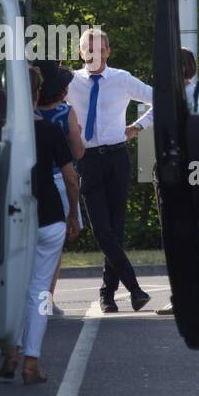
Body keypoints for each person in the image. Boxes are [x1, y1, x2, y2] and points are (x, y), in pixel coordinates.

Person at [0, 66, 81, 384]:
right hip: (48, 217)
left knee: (16, 288)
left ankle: (10, 353)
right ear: (37, 94)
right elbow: (71, 178)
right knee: (39, 291)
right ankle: (31, 362)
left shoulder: (4, 134)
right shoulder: (49, 131)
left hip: (14, 218)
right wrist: (72, 214)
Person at [66, 27, 153, 313]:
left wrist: (138, 127)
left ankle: (108, 294)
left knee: (116, 228)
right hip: (88, 160)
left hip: (117, 157)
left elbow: (161, 99)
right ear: (81, 52)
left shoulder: (121, 79)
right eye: (88, 49)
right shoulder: (71, 82)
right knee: (102, 229)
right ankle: (135, 288)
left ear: (107, 52)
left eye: (99, 49)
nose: (94, 54)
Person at [35, 60, 85, 315]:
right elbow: (77, 152)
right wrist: (77, 132)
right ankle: (47, 301)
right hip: (58, 181)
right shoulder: (66, 113)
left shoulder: (29, 114)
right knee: (53, 250)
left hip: (31, 180)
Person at [158, 46, 197, 316]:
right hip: (188, 167)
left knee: (179, 234)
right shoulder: (194, 92)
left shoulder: (182, 95)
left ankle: (183, 294)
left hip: (180, 168)